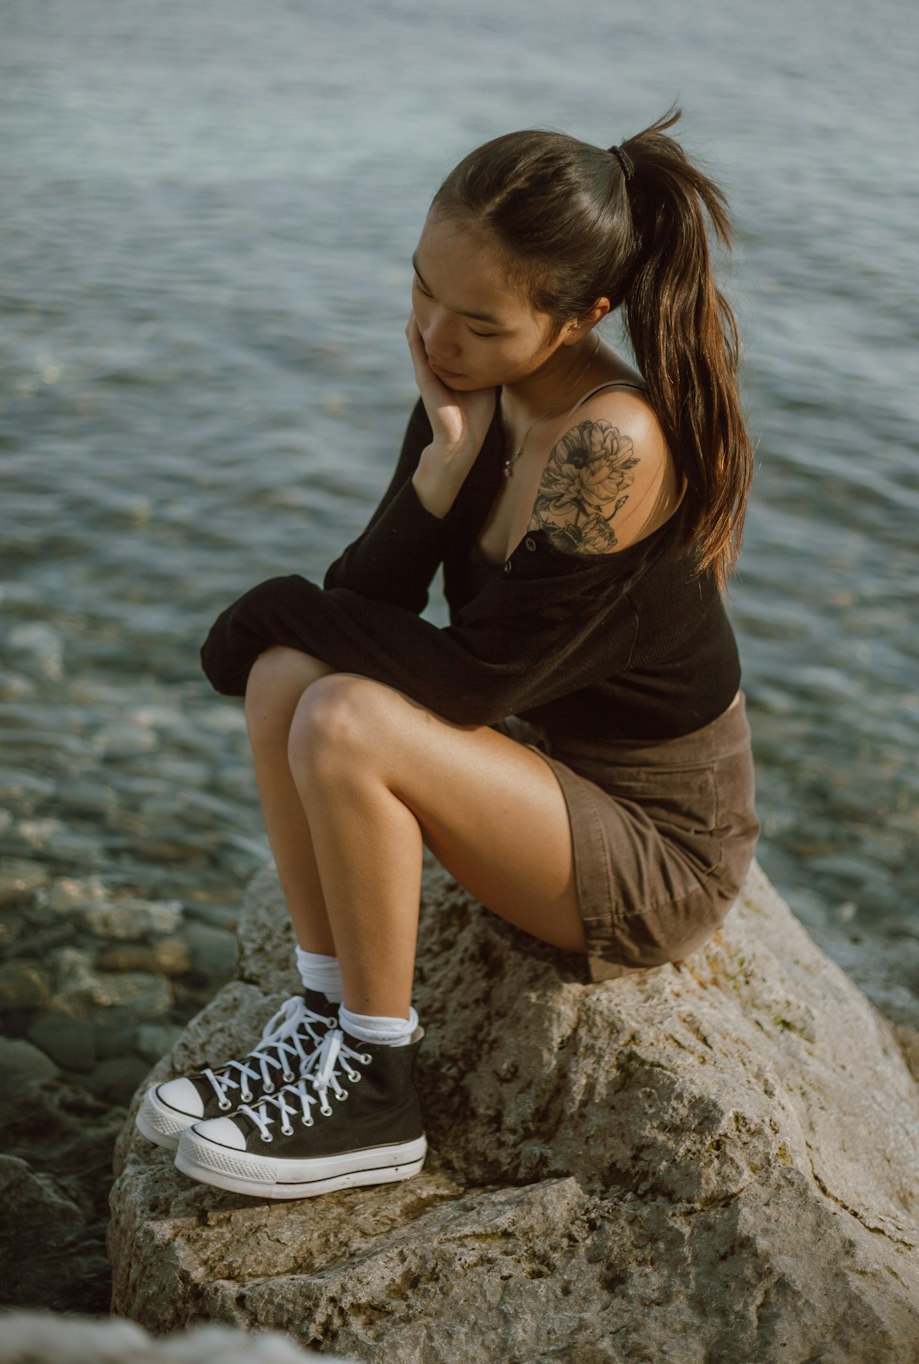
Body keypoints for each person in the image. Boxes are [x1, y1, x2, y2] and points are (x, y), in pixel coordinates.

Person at [137, 107, 760, 1201]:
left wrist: (269, 606)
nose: (433, 336)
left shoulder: (613, 443)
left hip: (654, 842)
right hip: (539, 763)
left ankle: (376, 1091)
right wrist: (437, 476)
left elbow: (470, 680)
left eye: (478, 322)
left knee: (339, 710)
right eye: (421, 287)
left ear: (582, 316)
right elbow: (364, 606)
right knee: (293, 679)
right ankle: (326, 1020)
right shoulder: (474, 396)